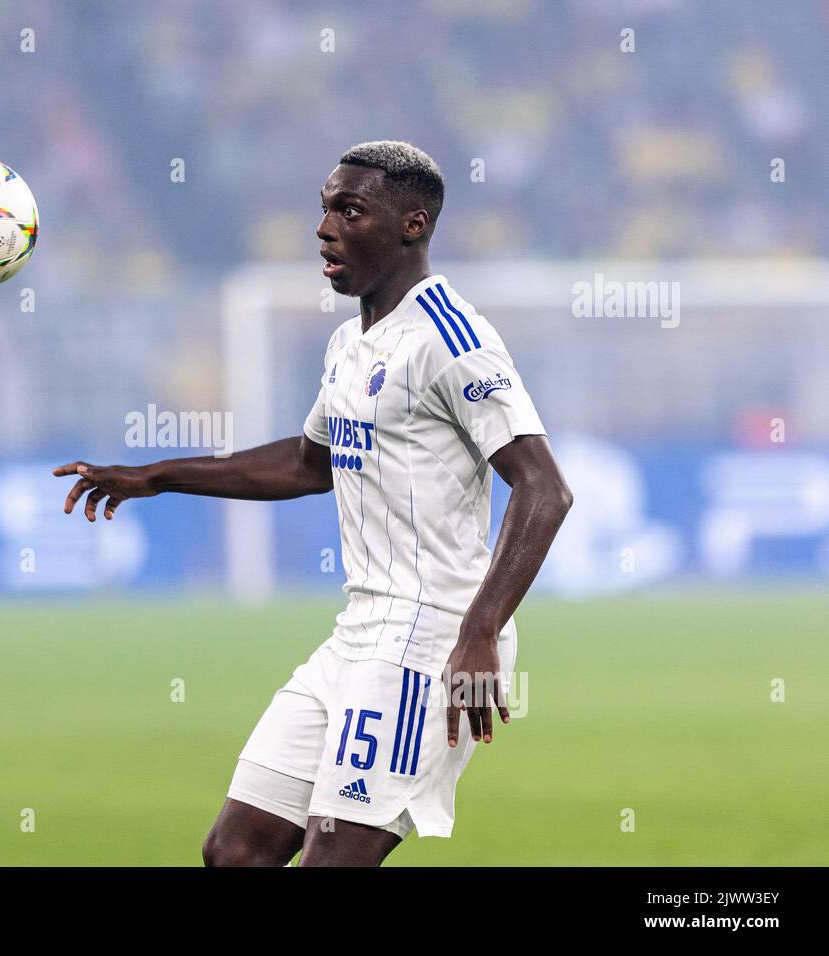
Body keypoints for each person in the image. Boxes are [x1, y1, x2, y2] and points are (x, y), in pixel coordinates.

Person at [53, 142, 572, 866]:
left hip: (431, 641)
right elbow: (308, 464)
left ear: (412, 225)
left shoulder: (452, 340)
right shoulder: (348, 344)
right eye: (325, 208)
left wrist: (480, 631)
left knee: (332, 860)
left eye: (349, 211)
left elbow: (545, 488)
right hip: (358, 630)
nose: (325, 228)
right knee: (235, 852)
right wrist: (155, 477)